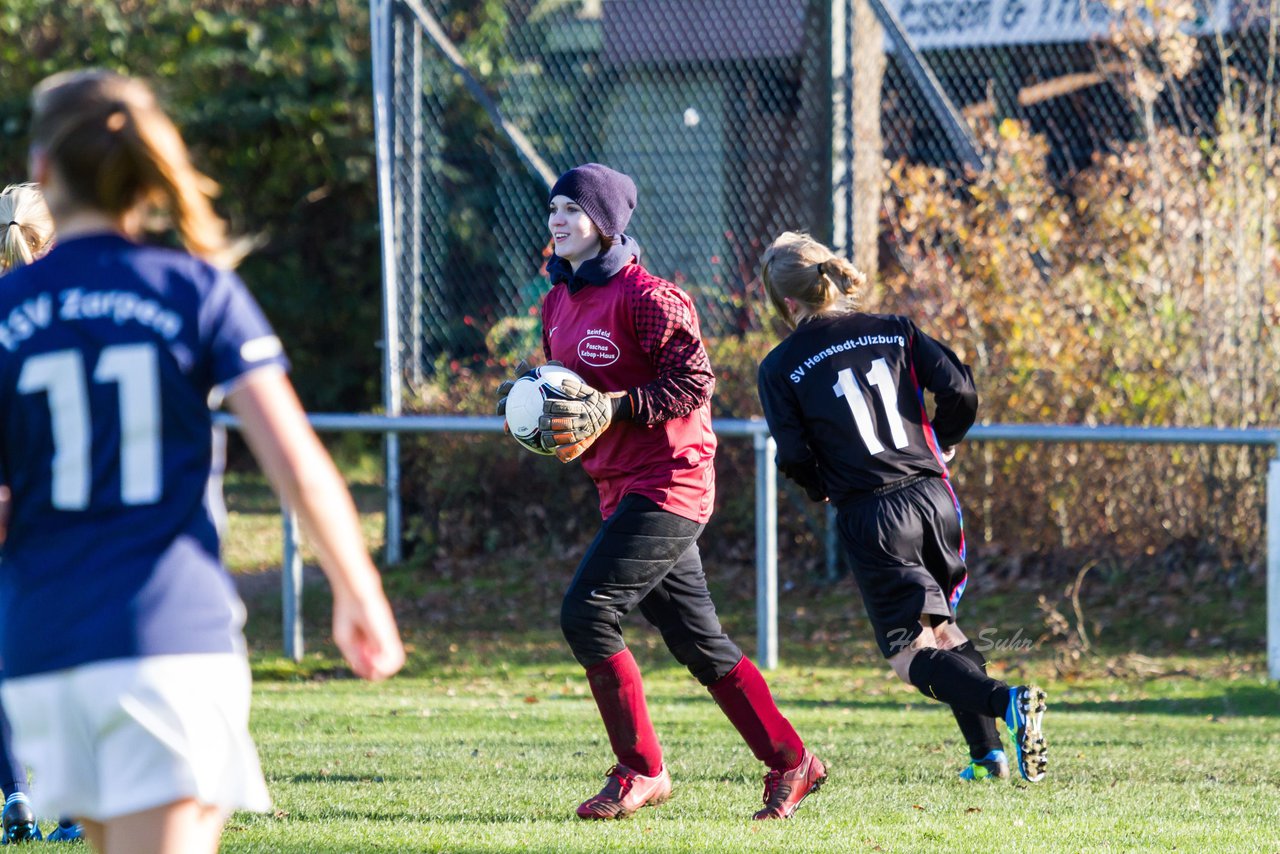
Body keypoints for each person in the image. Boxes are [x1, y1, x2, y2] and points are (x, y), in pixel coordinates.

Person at [0, 69, 405, 854]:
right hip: (165, 635)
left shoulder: (9, 313)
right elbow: (296, 462)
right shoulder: (194, 290)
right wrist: (360, 589)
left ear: (44, 168)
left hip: (41, 648)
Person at [497, 164, 826, 821]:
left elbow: (693, 385)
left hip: (672, 481)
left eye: (572, 209)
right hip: (620, 488)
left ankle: (641, 768)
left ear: (607, 223)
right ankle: (793, 761)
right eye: (553, 208)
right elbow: (573, 401)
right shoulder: (556, 302)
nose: (557, 219)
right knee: (701, 646)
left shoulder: (650, 297)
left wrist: (612, 408)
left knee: (585, 612)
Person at [755, 231, 1047, 783]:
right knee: (943, 630)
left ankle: (1009, 701)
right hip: (935, 496)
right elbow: (960, 391)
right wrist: (945, 441)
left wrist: (821, 486)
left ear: (787, 303)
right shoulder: (893, 329)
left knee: (907, 656)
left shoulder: (779, 367)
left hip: (874, 513)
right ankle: (988, 757)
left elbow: (792, 453)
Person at [0, 182, 83, 845]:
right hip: (65, 500)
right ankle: (75, 803)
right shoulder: (79, 299)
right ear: (50, 236)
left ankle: (17, 797)